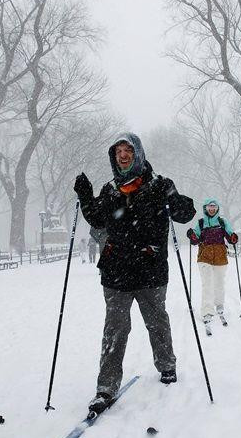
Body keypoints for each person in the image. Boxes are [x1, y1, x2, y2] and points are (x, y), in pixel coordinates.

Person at [73, 133, 196, 413]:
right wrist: (83, 194)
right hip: (116, 272)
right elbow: (96, 218)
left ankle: (166, 365)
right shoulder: (110, 189)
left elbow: (184, 213)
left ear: (138, 153)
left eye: (128, 150)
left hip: (150, 269)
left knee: (157, 322)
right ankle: (106, 387)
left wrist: (178, 203)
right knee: (115, 329)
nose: (123, 155)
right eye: (119, 152)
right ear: (114, 157)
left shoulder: (159, 185)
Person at [186, 198, 238, 331]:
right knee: (207, 284)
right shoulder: (201, 223)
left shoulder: (222, 222)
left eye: (214, 206)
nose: (212, 209)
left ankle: (219, 304)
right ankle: (207, 311)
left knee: (219, 282)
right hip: (205, 256)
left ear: (217, 208)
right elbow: (196, 240)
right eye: (210, 206)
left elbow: (230, 235)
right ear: (205, 208)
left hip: (220, 256)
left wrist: (233, 238)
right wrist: (192, 235)